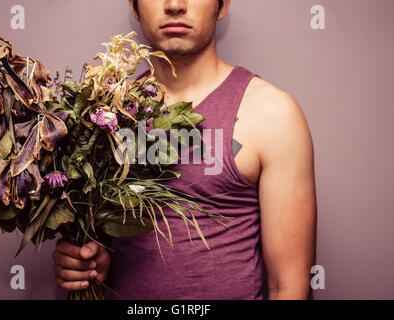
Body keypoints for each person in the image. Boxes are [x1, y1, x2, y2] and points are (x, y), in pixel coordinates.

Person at [52, 0, 317, 300]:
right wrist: (85, 262)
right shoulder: (107, 117)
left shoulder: (273, 114)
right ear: (134, 6)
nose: (175, 4)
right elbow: (98, 244)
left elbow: (290, 287)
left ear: (223, 5)